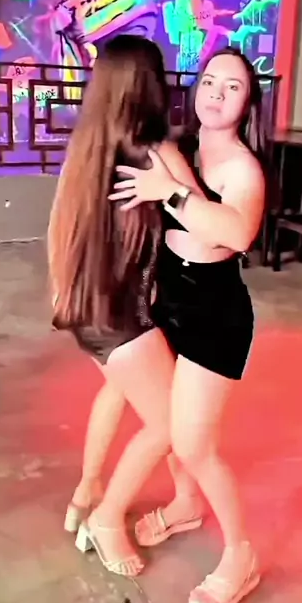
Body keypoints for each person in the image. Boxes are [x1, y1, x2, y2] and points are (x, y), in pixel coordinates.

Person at [75, 48, 266, 603]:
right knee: (152, 408)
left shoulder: (242, 168)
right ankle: (180, 504)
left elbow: (237, 233)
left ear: (248, 102)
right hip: (166, 301)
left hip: (214, 314)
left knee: (193, 444)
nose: (217, 93)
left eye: (232, 87)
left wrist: (173, 192)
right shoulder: (177, 147)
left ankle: (241, 554)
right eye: (209, 81)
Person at [48, 33, 201, 575]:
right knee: (173, 425)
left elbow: (58, 230)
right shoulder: (157, 151)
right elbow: (204, 224)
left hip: (83, 310)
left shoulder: (87, 148)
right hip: (124, 319)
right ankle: (108, 518)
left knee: (118, 391)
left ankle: (86, 493)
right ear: (152, 86)